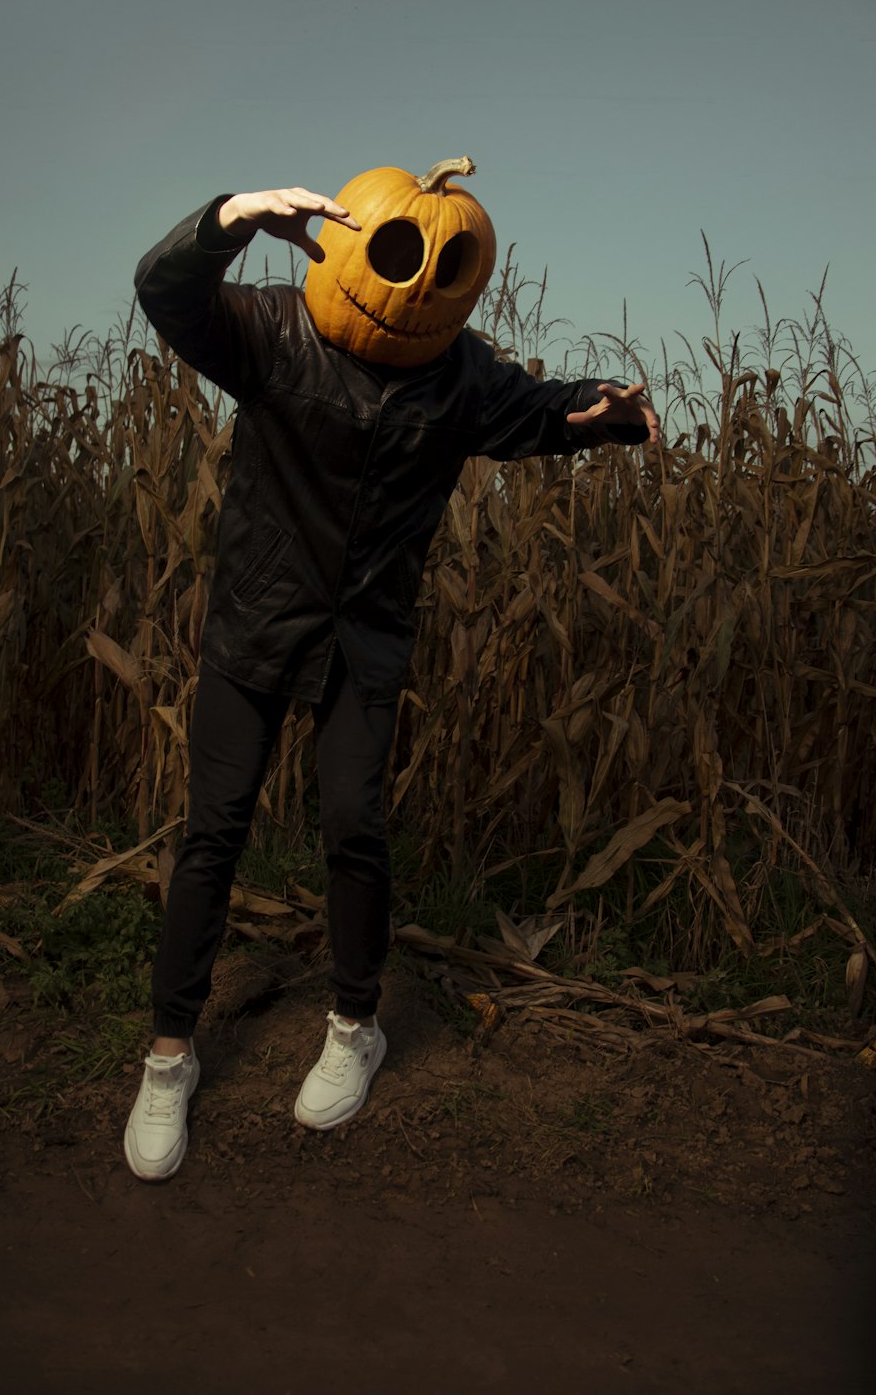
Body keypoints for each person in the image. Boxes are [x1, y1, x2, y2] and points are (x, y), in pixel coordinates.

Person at [123, 172, 660, 1181]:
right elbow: (165, 293)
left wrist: (608, 413)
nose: (410, 283)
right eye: (399, 254)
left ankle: (354, 1024)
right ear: (353, 245)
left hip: (363, 642)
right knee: (213, 833)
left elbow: (543, 413)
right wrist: (229, 217)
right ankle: (168, 1055)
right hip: (254, 631)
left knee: (352, 827)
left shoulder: (458, 378)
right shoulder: (272, 334)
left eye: (436, 265)